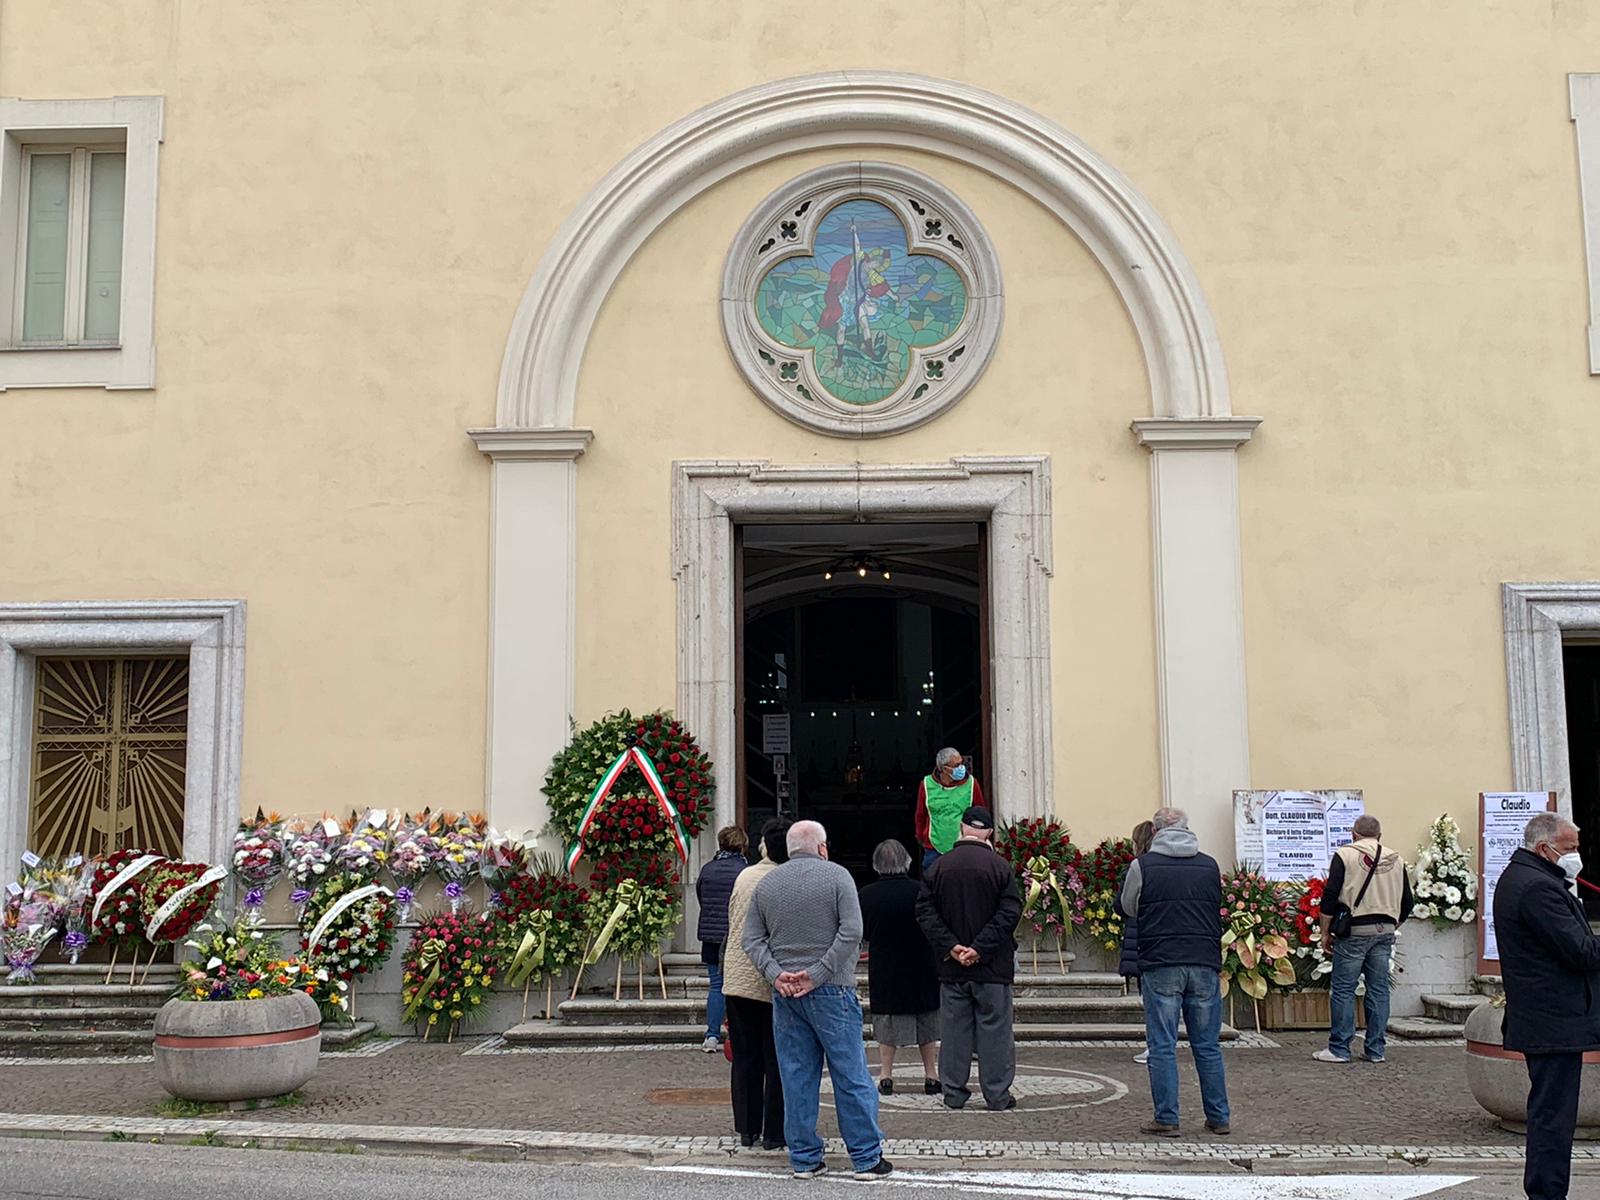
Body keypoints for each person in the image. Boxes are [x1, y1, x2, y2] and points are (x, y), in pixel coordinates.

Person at [743, 819, 892, 1180]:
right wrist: (819, 972)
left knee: (796, 1077)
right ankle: (866, 1158)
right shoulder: (838, 876)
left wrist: (776, 973)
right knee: (850, 1074)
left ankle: (805, 1158)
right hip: (833, 990)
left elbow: (751, 939)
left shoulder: (767, 884)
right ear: (822, 847)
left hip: (786, 994)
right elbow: (852, 931)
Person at [1494, 812, 1600, 1200]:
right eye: (1571, 848)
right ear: (1545, 848)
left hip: (1549, 1017)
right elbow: (1581, 951)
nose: (1577, 855)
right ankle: (1546, 1193)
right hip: (1552, 1020)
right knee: (1553, 1118)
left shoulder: (1530, 878)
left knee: (1551, 1113)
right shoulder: (1536, 887)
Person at [1118, 806, 1230, 1137]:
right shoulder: (1209, 865)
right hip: (1203, 960)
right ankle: (1218, 1116)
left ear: (1155, 832)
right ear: (1186, 828)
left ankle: (1167, 1117)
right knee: (1208, 1045)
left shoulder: (1142, 865)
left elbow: (1128, 907)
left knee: (1163, 1043)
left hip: (1161, 960)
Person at [914, 805, 1022, 1111]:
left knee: (954, 1031)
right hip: (992, 967)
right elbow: (1010, 912)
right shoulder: (1000, 867)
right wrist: (980, 947)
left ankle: (954, 1092)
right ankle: (998, 1094)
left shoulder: (938, 867)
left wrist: (953, 947)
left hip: (952, 967)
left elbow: (924, 911)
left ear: (961, 828)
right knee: (996, 1032)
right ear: (988, 832)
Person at [1313, 814, 1413, 1065]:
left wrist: (1325, 932)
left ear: (1353, 833)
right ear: (1379, 835)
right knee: (1379, 990)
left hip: (1355, 930)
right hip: (1384, 931)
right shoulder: (1396, 858)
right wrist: (1392, 925)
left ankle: (1340, 1048)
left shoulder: (1345, 855)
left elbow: (1330, 896)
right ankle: (1376, 1049)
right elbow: (1407, 902)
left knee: (1344, 989)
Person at [721, 818, 790, 1151]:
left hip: (738, 977)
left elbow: (733, 920)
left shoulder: (745, 875)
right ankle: (775, 1132)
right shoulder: (787, 879)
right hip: (773, 979)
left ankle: (747, 1129)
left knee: (746, 1057)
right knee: (775, 1057)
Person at [859, 838, 941, 1096]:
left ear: (877, 865)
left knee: (886, 1022)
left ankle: (886, 1075)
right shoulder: (921, 890)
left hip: (885, 965)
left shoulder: (867, 895)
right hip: (921, 963)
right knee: (927, 1018)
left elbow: (863, 932)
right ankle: (931, 1074)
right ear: (907, 862)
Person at [694, 825, 748, 1053]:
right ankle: (738, 1034)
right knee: (739, 988)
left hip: (711, 936)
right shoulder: (745, 871)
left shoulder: (707, 869)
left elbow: (700, 897)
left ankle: (712, 1035)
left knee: (716, 986)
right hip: (736, 937)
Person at [914, 747, 986, 874]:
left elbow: (981, 814)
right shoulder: (926, 784)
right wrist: (921, 837)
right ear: (945, 769)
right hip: (934, 848)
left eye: (962, 763)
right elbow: (920, 815)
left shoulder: (972, 783)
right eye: (957, 765)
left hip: (964, 847)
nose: (962, 768)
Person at [1121, 819, 1154, 1067]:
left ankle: (1155, 1045)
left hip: (1141, 938)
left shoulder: (1139, 867)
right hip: (1146, 937)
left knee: (1151, 997)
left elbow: (1123, 903)